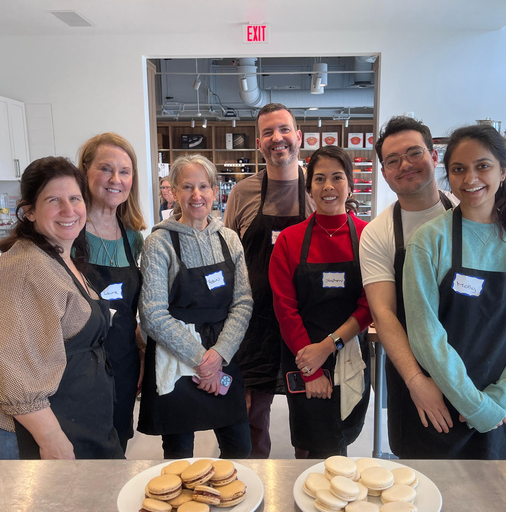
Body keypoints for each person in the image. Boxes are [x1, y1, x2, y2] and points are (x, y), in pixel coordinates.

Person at [359, 116, 506, 458]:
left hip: (500, 391)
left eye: (414, 153)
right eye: (392, 160)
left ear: (433, 158)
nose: (470, 178)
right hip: (430, 384)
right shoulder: (396, 235)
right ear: (383, 172)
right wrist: (416, 380)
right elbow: (385, 314)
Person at [0, 156, 123, 460]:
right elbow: (10, 365)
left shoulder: (59, 256)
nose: (69, 210)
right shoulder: (23, 268)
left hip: (74, 419)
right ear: (30, 212)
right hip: (30, 437)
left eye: (75, 198)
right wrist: (50, 437)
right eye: (54, 200)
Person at [137, 155, 253, 459]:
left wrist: (219, 355)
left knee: (240, 447)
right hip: (175, 356)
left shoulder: (229, 239)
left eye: (203, 186)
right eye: (187, 187)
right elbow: (152, 314)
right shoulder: (159, 242)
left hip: (222, 353)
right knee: (179, 455)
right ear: (174, 192)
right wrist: (202, 360)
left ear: (215, 191)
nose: (196, 195)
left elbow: (243, 302)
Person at [224, 103, 315, 458]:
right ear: (259, 144)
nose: (277, 138)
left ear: (298, 136)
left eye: (284, 130)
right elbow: (228, 254)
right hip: (253, 321)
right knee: (251, 414)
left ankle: (309, 487)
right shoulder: (242, 193)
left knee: (308, 410)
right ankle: (250, 480)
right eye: (268, 133)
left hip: (305, 320)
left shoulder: (317, 190)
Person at [270, 145, 372, 458]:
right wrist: (311, 369)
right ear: (309, 187)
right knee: (307, 441)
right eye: (319, 179)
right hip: (301, 354)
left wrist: (328, 347)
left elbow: (370, 305)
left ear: (350, 185)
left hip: (348, 350)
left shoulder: (368, 236)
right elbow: (284, 308)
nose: (328, 186)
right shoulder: (290, 239)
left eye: (337, 177)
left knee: (338, 439)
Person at [77, 132, 147, 453]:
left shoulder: (133, 237)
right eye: (106, 169)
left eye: (125, 171)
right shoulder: (70, 232)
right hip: (78, 364)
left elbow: (134, 310)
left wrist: (143, 354)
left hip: (122, 360)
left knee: (118, 443)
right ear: (85, 171)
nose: (116, 179)